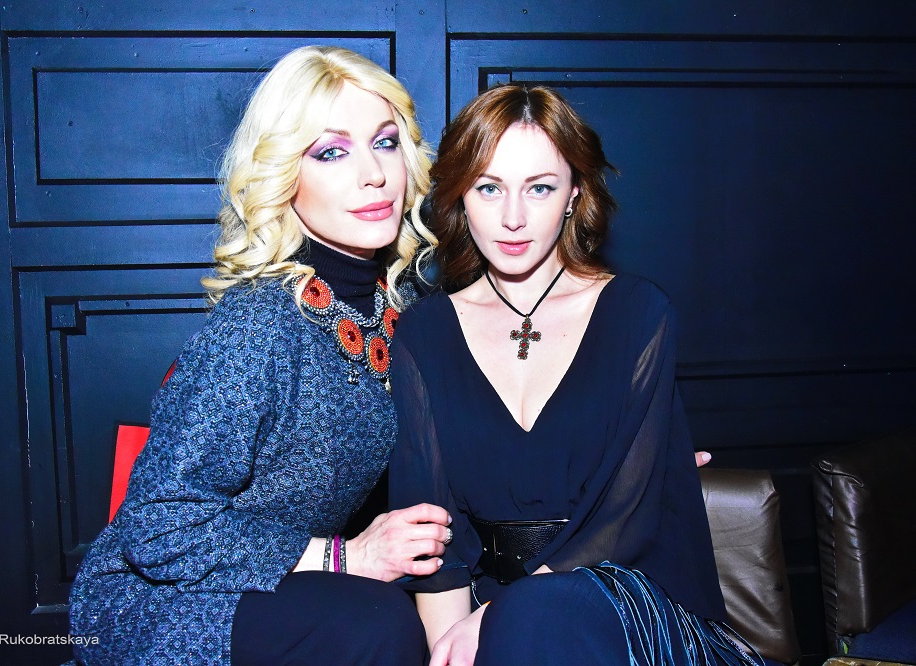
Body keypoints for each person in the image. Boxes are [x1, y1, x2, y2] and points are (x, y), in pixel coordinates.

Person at [69, 46, 452, 666]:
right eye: (331, 152)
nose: (373, 175)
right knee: (378, 625)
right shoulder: (260, 323)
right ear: (283, 175)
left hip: (289, 587)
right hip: (166, 600)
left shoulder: (400, 306)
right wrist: (347, 557)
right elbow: (159, 527)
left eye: (384, 143)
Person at [388, 84, 765, 665]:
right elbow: (436, 539)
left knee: (538, 617)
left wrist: (502, 612)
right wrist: (449, 647)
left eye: (539, 188)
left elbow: (627, 516)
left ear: (574, 194)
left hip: (623, 601)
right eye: (489, 188)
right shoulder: (424, 334)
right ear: (461, 195)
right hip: (501, 621)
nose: (513, 218)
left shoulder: (638, 313)